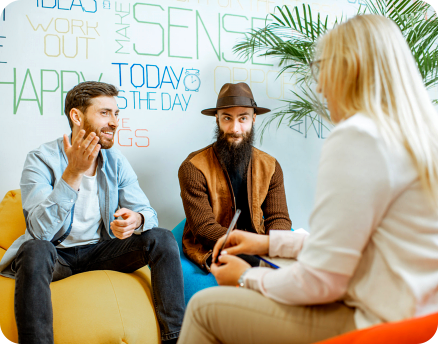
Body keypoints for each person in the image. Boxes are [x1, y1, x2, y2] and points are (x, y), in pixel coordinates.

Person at [177, 14, 438, 344]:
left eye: (321, 69)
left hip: (378, 321)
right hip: (422, 316)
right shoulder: (421, 136)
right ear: (217, 119)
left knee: (202, 307)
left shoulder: (357, 137)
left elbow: (321, 280)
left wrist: (247, 277)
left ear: (351, 66)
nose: (318, 86)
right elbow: (359, 248)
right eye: (228, 119)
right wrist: (268, 244)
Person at [0, 81, 184, 344]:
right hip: (55, 256)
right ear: (76, 116)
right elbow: (40, 232)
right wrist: (72, 173)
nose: (114, 122)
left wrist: (136, 220)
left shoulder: (116, 161)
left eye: (116, 113)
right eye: (104, 113)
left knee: (163, 237)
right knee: (35, 249)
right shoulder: (40, 159)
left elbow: (147, 212)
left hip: (99, 252)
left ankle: (176, 339)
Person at [178, 82, 292, 272]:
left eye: (243, 118)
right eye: (227, 118)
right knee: (263, 268)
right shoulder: (193, 167)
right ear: (217, 119)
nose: (235, 128)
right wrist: (255, 245)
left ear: (254, 119)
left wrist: (274, 245)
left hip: (259, 241)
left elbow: (278, 217)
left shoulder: (271, 166)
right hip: (213, 246)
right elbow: (204, 229)